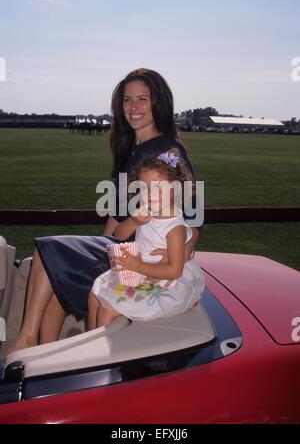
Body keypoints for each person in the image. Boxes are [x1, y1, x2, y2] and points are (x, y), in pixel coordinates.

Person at [5, 68, 201, 357]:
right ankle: (45, 360)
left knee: (46, 251)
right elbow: (119, 211)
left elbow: (194, 217)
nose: (134, 108)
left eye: (143, 99)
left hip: (138, 255)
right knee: (58, 284)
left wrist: (184, 247)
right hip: (119, 246)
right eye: (127, 100)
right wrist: (103, 245)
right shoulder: (134, 149)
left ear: (159, 103)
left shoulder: (166, 151)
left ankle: (25, 341)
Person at [88, 149, 205, 328]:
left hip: (164, 281)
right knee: (94, 296)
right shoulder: (146, 212)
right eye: (144, 188)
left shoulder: (175, 228)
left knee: (107, 310)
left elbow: (174, 271)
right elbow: (119, 235)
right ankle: (90, 342)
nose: (150, 194)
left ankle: (106, 353)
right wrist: (134, 221)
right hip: (141, 269)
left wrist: (137, 266)